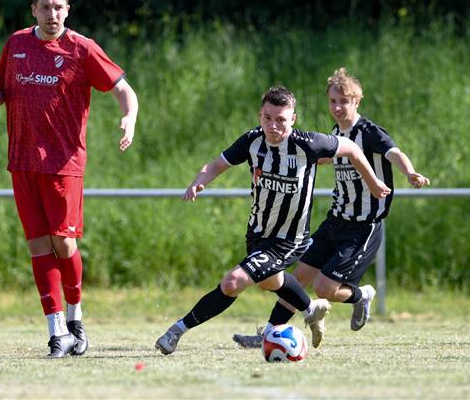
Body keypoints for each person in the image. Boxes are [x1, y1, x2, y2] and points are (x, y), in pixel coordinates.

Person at [0, 0, 138, 358]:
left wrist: (130, 117)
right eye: (45, 7)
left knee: (63, 241)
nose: (52, 14)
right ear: (34, 10)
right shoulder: (16, 45)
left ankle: (76, 318)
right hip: (22, 162)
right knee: (38, 245)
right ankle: (56, 331)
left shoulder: (81, 49)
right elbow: (0, 92)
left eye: (58, 7)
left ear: (67, 9)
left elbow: (124, 89)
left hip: (64, 164)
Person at [154, 86, 391, 355]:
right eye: (268, 118)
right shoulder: (252, 141)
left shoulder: (309, 144)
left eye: (281, 119)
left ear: (293, 119)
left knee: (233, 282)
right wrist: (199, 181)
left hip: (290, 239)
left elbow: (352, 149)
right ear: (260, 115)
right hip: (257, 234)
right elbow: (217, 164)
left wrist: (373, 182)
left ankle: (176, 331)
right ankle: (311, 309)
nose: (273, 126)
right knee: (270, 282)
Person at [232, 68, 429, 349]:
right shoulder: (336, 133)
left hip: (363, 226)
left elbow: (394, 152)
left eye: (344, 101)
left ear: (357, 101)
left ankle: (361, 296)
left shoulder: (369, 133)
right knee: (298, 277)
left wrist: (409, 173)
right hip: (336, 219)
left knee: (324, 288)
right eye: (333, 101)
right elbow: (323, 156)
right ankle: (269, 333)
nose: (337, 107)